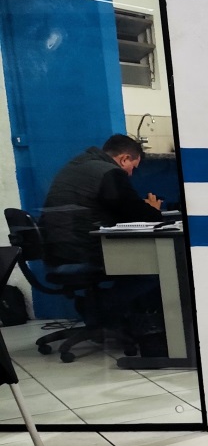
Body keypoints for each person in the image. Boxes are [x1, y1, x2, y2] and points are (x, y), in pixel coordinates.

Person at [40, 134, 164, 348]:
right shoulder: (109, 173)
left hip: (58, 253)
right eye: (132, 167)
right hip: (82, 253)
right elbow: (139, 214)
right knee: (154, 267)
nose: (131, 174)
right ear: (124, 159)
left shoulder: (77, 165)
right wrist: (153, 209)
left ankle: (105, 313)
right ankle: (103, 307)